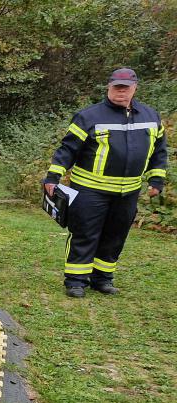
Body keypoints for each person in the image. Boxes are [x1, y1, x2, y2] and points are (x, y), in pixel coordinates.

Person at [42, 67, 167, 297]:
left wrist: (157, 179)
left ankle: (102, 279)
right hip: (90, 190)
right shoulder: (89, 116)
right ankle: (76, 281)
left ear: (134, 88)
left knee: (115, 236)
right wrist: (53, 176)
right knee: (85, 233)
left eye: (125, 88)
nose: (121, 92)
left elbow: (159, 152)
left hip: (128, 191)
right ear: (108, 87)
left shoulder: (151, 117)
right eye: (116, 87)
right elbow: (67, 149)